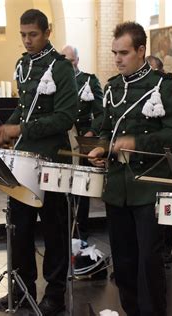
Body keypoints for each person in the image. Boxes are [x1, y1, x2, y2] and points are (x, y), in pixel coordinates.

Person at [88, 21, 172, 316]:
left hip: (151, 185)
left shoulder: (163, 86)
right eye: (114, 53)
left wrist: (138, 141)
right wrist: (102, 149)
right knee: (124, 262)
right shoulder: (113, 87)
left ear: (141, 50)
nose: (117, 59)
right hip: (118, 187)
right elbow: (106, 130)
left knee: (149, 262)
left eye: (124, 53)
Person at [0, 9, 78, 315]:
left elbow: (65, 118)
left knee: (54, 230)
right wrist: (5, 131)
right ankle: (21, 289)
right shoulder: (23, 64)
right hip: (23, 160)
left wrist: (21, 129)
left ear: (48, 31)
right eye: (23, 35)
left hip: (52, 159)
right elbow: (24, 109)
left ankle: (55, 295)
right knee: (20, 228)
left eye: (33, 35)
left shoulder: (62, 68)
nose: (27, 41)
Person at [61, 44, 104, 243]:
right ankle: (63, 228)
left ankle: (81, 230)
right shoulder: (55, 81)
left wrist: (91, 132)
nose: (67, 65)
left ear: (77, 60)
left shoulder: (89, 81)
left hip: (82, 138)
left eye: (70, 60)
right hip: (62, 138)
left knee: (81, 185)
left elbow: (101, 113)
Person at [146, 55, 172, 266]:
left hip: (161, 161)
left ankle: (166, 250)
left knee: (165, 212)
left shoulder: (166, 88)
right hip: (141, 165)